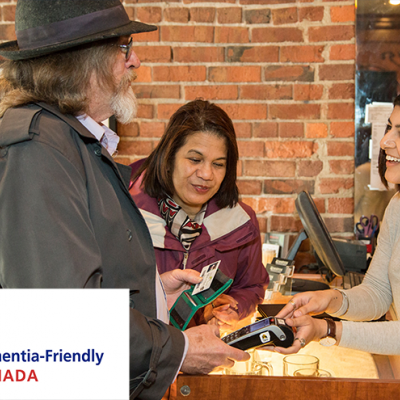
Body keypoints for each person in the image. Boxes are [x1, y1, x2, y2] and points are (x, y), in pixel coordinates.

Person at [0, 1, 249, 399]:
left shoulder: (65, 141)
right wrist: (180, 349)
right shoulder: (38, 149)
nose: (134, 60)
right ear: (84, 61)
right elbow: (63, 317)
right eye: (123, 47)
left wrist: (150, 291)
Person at [274, 94, 400, 356]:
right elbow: (378, 292)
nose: (386, 141)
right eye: (389, 127)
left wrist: (327, 329)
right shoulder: (397, 205)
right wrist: (330, 299)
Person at [130, 99, 269, 331]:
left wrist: (233, 306)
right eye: (195, 160)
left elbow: (252, 286)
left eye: (218, 164)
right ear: (169, 156)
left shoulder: (241, 221)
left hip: (205, 358)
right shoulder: (125, 213)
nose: (206, 174)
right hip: (141, 357)